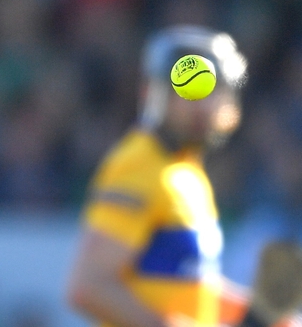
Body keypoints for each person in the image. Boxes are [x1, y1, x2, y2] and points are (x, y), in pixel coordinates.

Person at [65, 25, 302, 327]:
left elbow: (191, 289)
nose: (202, 104)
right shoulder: (138, 165)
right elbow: (89, 287)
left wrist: (263, 318)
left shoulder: (187, 172)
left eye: (212, 90)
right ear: (154, 93)